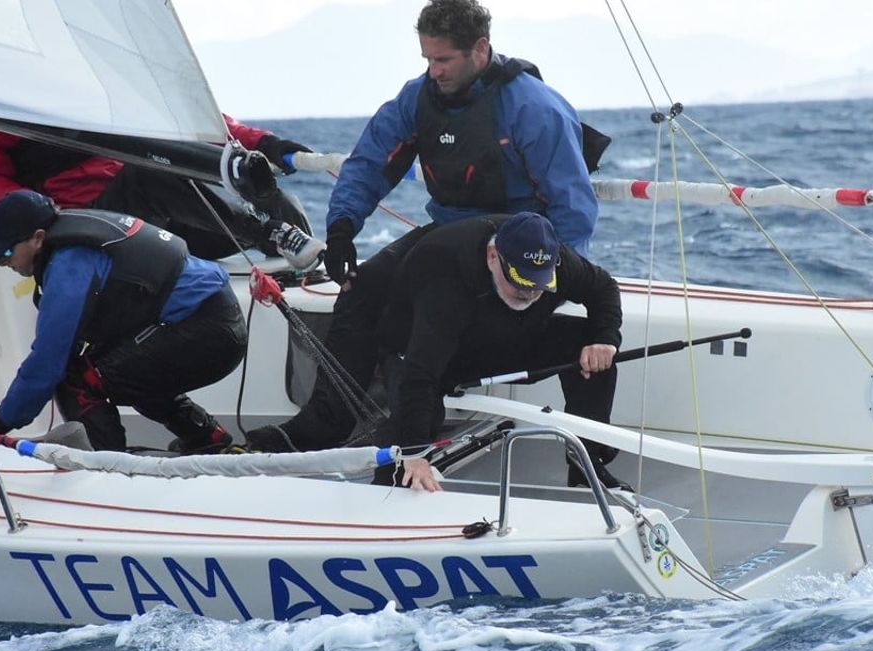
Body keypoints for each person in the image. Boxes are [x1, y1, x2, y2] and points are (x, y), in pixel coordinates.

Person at [247, 0, 606, 452]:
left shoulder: (535, 108)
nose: (433, 71)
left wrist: (545, 285)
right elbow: (369, 164)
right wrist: (340, 229)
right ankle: (326, 422)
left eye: (443, 59)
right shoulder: (416, 99)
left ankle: (576, 451)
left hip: (517, 243)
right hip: (450, 233)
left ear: (480, 49)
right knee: (362, 287)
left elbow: (573, 208)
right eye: (427, 59)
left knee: (449, 310)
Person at [0, 190, 246, 453]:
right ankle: (206, 437)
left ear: (38, 238)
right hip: (216, 319)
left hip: (207, 332)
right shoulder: (75, 234)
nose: (4, 263)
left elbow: (47, 365)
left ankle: (105, 465)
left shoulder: (70, 265)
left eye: (7, 252)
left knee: (80, 378)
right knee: (119, 367)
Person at [372, 212, 624, 492]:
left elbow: (603, 287)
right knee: (417, 418)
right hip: (428, 351)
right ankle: (389, 484)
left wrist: (606, 339)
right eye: (519, 282)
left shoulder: (559, 263)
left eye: (539, 285)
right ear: (493, 256)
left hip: (505, 339)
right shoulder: (446, 274)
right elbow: (419, 373)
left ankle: (585, 464)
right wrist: (414, 454)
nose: (529, 293)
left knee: (590, 345)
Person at [0, 117, 317, 264]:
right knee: (145, 178)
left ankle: (313, 269)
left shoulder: (96, 74)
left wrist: (266, 143)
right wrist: (36, 210)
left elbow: (182, 117)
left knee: (277, 201)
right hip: (86, 217)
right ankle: (269, 233)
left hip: (155, 219)